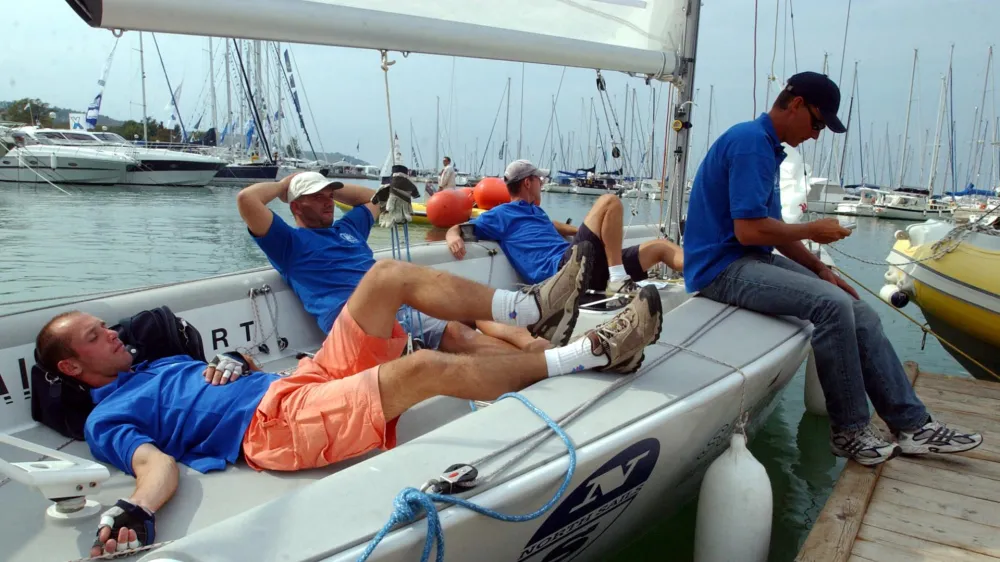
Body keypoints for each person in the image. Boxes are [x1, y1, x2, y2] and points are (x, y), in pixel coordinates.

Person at [36, 249, 664, 556]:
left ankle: (528, 307)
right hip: (272, 428)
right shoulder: (105, 418)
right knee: (421, 367)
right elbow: (155, 466)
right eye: (96, 336)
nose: (113, 334)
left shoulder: (158, 362)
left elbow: (214, 381)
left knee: (387, 276)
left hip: (292, 382)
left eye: (106, 326)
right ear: (72, 366)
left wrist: (235, 361)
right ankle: (595, 353)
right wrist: (135, 515)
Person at [684, 71, 982, 466]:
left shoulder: (767, 147)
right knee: (831, 307)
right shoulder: (750, 143)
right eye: (817, 123)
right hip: (720, 268)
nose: (817, 134)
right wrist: (813, 229)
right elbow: (749, 229)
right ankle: (850, 431)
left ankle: (913, 426)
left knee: (857, 308)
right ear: (795, 104)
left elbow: (770, 229)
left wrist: (819, 269)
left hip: (748, 259)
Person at [237, 171, 543, 353]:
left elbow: (381, 198)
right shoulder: (287, 243)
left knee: (472, 312)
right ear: (296, 205)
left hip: (398, 304)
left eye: (330, 194)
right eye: (317, 196)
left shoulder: (347, 229)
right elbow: (246, 200)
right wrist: (284, 185)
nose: (329, 200)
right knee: (453, 330)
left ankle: (537, 348)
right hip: (360, 321)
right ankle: (535, 363)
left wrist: (333, 187)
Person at [446, 159, 683, 294]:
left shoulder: (534, 211)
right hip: (562, 270)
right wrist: (452, 235)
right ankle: (618, 280)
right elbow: (462, 227)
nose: (542, 182)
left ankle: (708, 275)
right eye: (539, 179)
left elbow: (552, 226)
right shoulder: (500, 214)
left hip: (584, 264)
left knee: (660, 247)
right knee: (609, 201)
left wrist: (583, 229)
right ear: (528, 183)